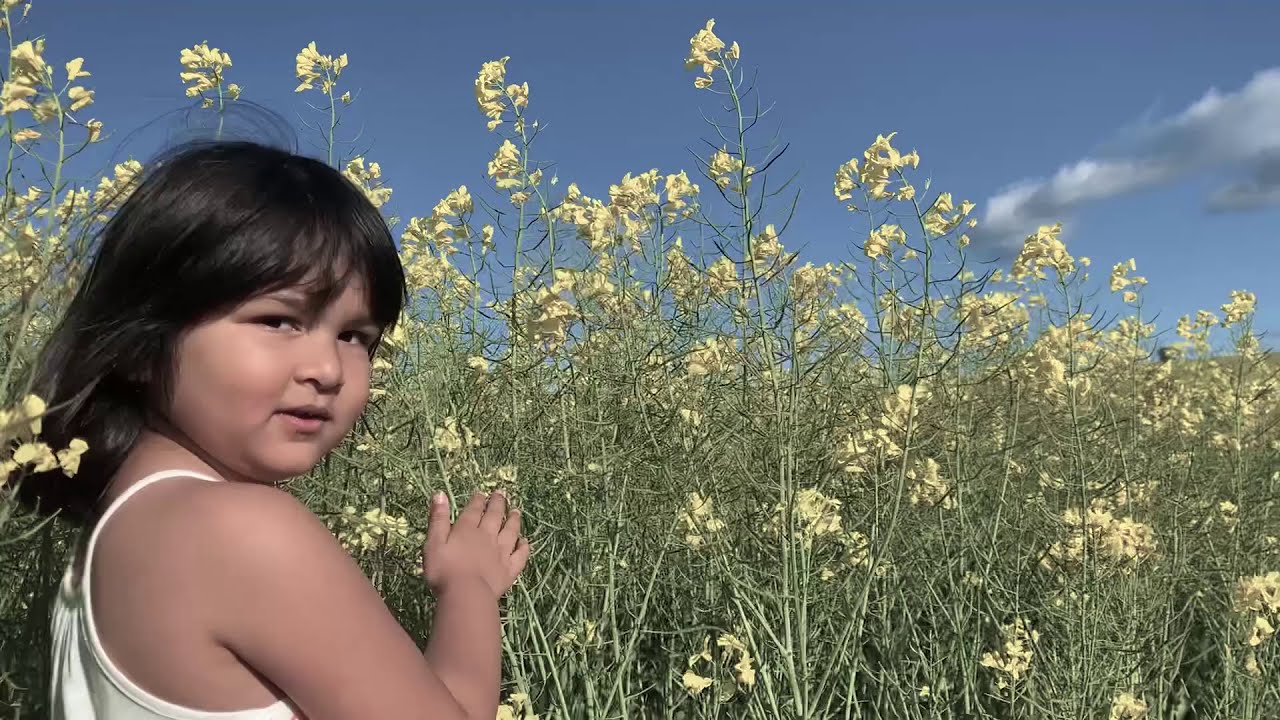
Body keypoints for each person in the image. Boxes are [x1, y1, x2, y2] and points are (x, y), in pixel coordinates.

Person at [14, 138, 530, 719]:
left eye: (355, 336)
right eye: (279, 320)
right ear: (140, 343)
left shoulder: (115, 537)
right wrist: (471, 587)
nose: (327, 370)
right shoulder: (240, 530)